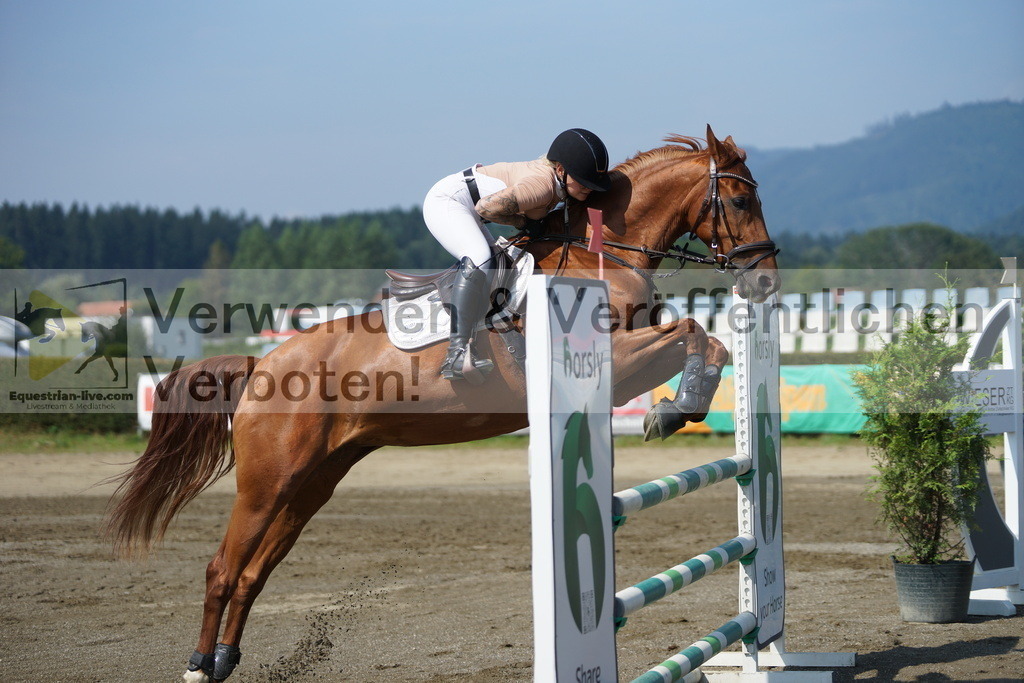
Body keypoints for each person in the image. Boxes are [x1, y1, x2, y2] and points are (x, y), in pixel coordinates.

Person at [423, 128, 612, 382]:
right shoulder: (542, 185)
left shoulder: (558, 182)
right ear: (560, 170)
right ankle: (456, 353)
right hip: (448, 202)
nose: (589, 187)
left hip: (471, 208)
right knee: (480, 257)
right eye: (583, 180)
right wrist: (522, 222)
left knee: (501, 265)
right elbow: (486, 207)